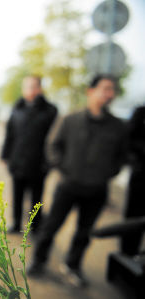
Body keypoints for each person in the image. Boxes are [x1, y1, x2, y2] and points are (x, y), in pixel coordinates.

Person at [27, 75, 127, 287]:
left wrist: (107, 173)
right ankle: (38, 261)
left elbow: (122, 157)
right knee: (51, 226)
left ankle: (72, 266)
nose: (108, 94)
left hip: (97, 190)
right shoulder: (70, 119)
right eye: (104, 88)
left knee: (84, 232)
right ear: (90, 91)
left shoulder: (118, 126)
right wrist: (63, 170)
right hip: (68, 186)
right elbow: (53, 145)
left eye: (112, 90)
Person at [1, 75, 57, 233]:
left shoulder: (50, 111)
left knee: (36, 199)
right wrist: (5, 155)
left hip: (39, 163)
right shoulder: (17, 108)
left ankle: (35, 226)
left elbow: (55, 139)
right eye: (27, 87)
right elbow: (10, 134)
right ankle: (16, 224)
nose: (30, 90)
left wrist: (50, 162)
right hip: (17, 161)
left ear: (40, 89)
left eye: (34, 86)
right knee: (17, 196)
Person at [121, 105, 145, 256]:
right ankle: (127, 255)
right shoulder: (140, 112)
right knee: (133, 219)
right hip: (141, 178)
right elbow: (127, 140)